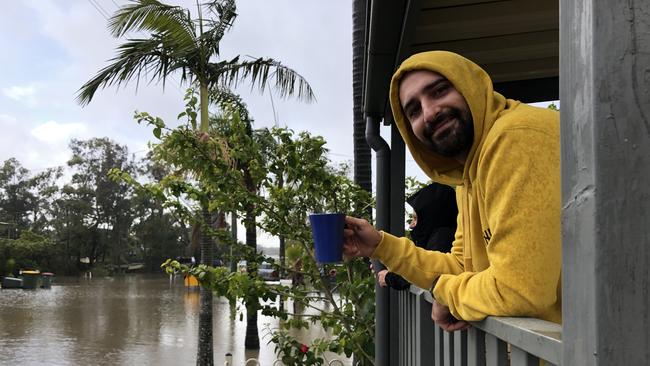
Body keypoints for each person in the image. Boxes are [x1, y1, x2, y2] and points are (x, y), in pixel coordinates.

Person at [343, 51, 561, 331]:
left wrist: (447, 294)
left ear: (469, 85)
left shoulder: (515, 138)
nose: (430, 113)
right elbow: (461, 266)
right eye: (414, 111)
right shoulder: (468, 177)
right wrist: (380, 245)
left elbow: (520, 289)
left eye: (440, 91)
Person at [376, 182, 457, 290]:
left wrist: (389, 278)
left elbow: (428, 272)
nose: (411, 224)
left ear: (430, 217)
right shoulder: (445, 234)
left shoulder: (442, 238)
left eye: (416, 218)